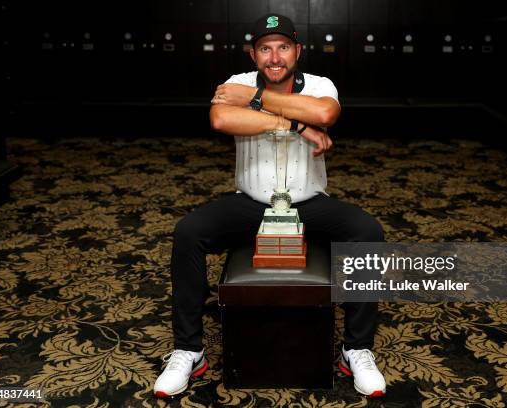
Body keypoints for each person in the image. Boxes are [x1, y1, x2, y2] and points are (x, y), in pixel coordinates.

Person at [153, 13, 386, 399]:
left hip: (309, 203)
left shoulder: (318, 84)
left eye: (282, 47)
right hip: (252, 203)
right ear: (253, 54)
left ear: (297, 50)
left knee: (368, 232)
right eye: (265, 49)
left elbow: (325, 114)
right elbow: (221, 118)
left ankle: (356, 349)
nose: (274, 57)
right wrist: (295, 124)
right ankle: (189, 351)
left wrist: (257, 102)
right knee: (188, 232)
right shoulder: (235, 85)